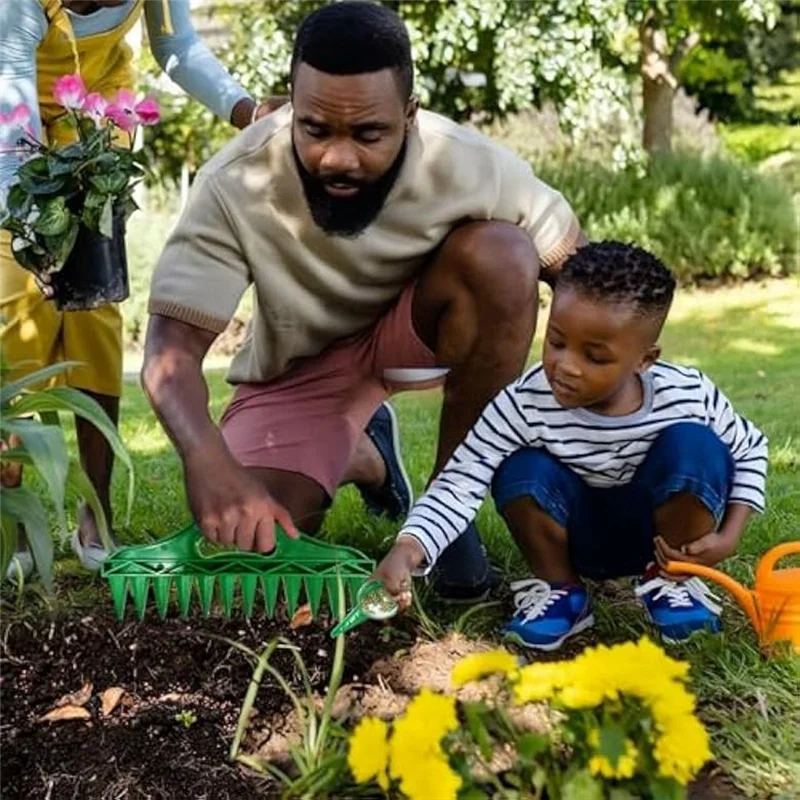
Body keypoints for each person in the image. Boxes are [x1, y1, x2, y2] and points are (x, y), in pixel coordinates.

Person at [142, 1, 585, 602]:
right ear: (292, 108)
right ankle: (364, 451)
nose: (338, 158)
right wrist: (206, 458)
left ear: (408, 115)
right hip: (301, 369)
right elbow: (171, 351)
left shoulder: (466, 160)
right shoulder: (235, 180)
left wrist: (641, 396)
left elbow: (582, 271)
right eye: (316, 129)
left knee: (505, 255)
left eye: (369, 133)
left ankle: (446, 514)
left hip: (417, 334)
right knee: (249, 544)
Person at [0, 0, 281, 578]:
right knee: (17, 320)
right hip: (16, 137)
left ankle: (95, 518)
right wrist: (30, 231)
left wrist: (247, 110)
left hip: (96, 128)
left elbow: (178, 48)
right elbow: (13, 103)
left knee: (95, 315)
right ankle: (19, 530)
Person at [375, 241, 768, 648]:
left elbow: (750, 449)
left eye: (595, 357)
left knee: (697, 446)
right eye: (557, 342)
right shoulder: (523, 403)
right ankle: (563, 593)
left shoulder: (686, 394)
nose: (566, 366)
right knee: (521, 467)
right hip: (571, 537)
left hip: (661, 539)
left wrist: (730, 535)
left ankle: (674, 583)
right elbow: (460, 480)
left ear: (644, 359)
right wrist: (409, 547)